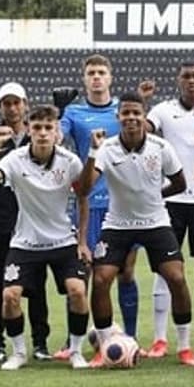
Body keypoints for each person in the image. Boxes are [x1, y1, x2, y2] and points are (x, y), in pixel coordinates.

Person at [78, 93, 194, 366]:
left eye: (136, 112)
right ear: (118, 117)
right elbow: (84, 189)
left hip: (155, 222)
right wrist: (92, 152)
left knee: (177, 278)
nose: (131, 118)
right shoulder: (106, 148)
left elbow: (180, 183)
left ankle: (184, 347)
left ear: (144, 116)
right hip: (117, 225)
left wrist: (156, 196)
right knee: (100, 279)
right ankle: (105, 345)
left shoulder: (160, 146)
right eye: (126, 113)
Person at [0, 105, 93, 370]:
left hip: (63, 241)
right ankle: (18, 352)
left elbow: (83, 198)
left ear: (56, 132)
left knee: (78, 291)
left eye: (48, 128)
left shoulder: (69, 160)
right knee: (10, 297)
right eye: (37, 128)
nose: (42, 133)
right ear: (29, 130)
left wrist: (83, 242)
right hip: (25, 242)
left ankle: (75, 351)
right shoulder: (15, 159)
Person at [57, 54, 148, 352]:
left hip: (123, 204)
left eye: (101, 72)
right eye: (91, 73)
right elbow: (56, 139)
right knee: (84, 275)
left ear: (110, 77)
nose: (96, 77)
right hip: (88, 204)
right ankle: (75, 344)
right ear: (84, 78)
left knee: (126, 272)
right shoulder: (73, 111)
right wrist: (59, 113)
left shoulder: (121, 111)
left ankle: (130, 337)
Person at [0, 82, 52, 361]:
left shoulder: (38, 136)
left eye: (17, 102)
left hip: (34, 220)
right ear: (0, 107)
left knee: (37, 283)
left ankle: (40, 342)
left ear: (25, 104)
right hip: (0, 220)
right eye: (7, 103)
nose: (13, 108)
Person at [145, 62, 194, 359]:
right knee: (165, 271)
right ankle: (161, 338)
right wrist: (146, 100)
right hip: (172, 201)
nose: (191, 81)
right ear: (179, 81)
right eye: (186, 77)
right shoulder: (163, 110)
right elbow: (142, 128)